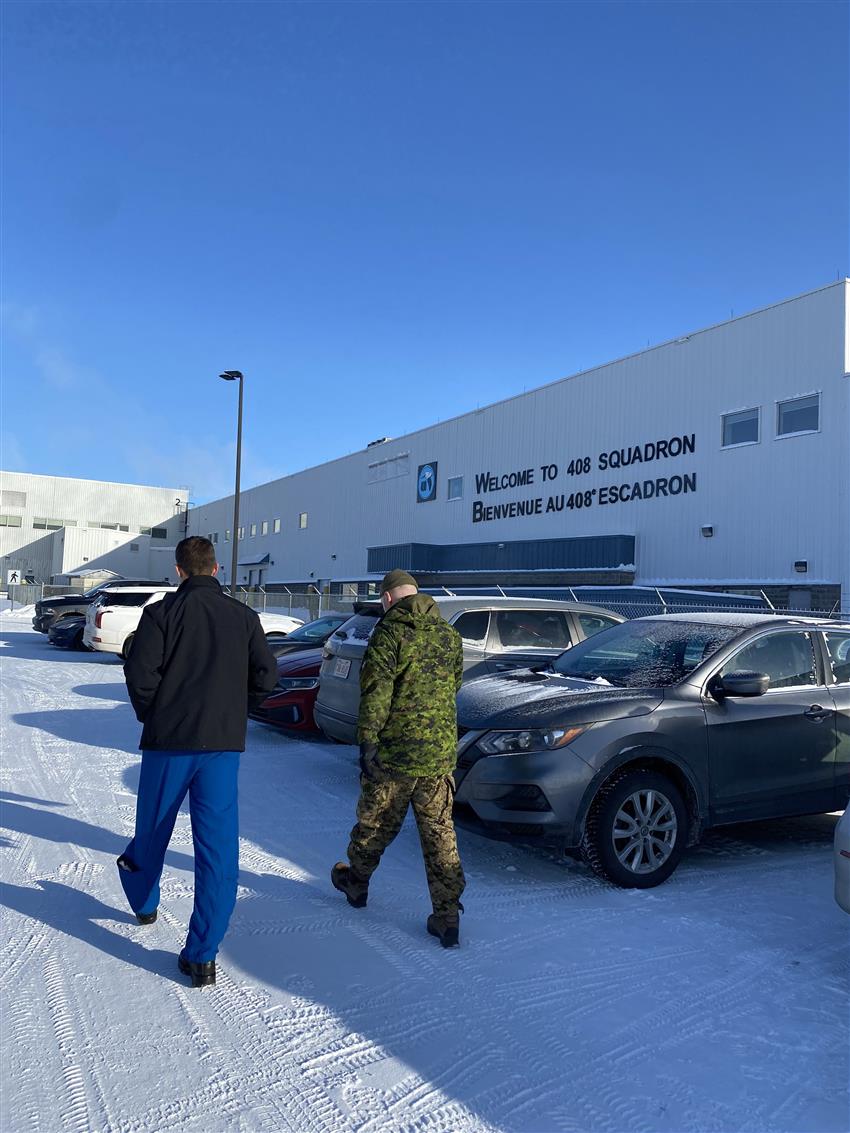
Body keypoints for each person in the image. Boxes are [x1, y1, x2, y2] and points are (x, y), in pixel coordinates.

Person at [117, 536, 277, 987]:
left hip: (169, 743)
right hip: (221, 750)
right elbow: (267, 675)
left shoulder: (162, 613)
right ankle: (202, 954)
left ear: (179, 570)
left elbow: (140, 673)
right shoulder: (244, 617)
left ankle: (144, 904)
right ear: (217, 569)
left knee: (151, 832)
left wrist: (155, 713)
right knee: (218, 851)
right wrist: (235, 710)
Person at [331, 569, 466, 947]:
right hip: (438, 755)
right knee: (440, 833)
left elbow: (375, 693)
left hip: (394, 753)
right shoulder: (449, 635)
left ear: (388, 598)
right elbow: (453, 684)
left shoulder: (388, 634)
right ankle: (447, 916)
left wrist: (367, 742)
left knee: (375, 823)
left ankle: (356, 883)